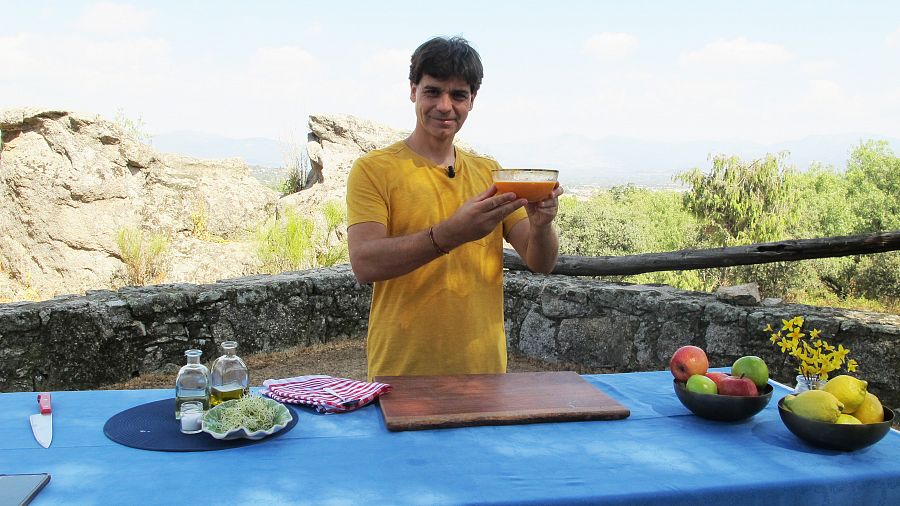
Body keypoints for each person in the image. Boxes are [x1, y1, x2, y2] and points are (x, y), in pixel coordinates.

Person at [346, 36, 563, 380]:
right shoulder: (374, 170)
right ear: (413, 91)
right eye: (433, 91)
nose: (445, 106)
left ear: (472, 100)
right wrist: (452, 233)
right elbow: (365, 263)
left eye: (458, 95)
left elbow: (541, 262)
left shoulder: (490, 173)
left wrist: (541, 225)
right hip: (401, 374)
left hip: (486, 374)